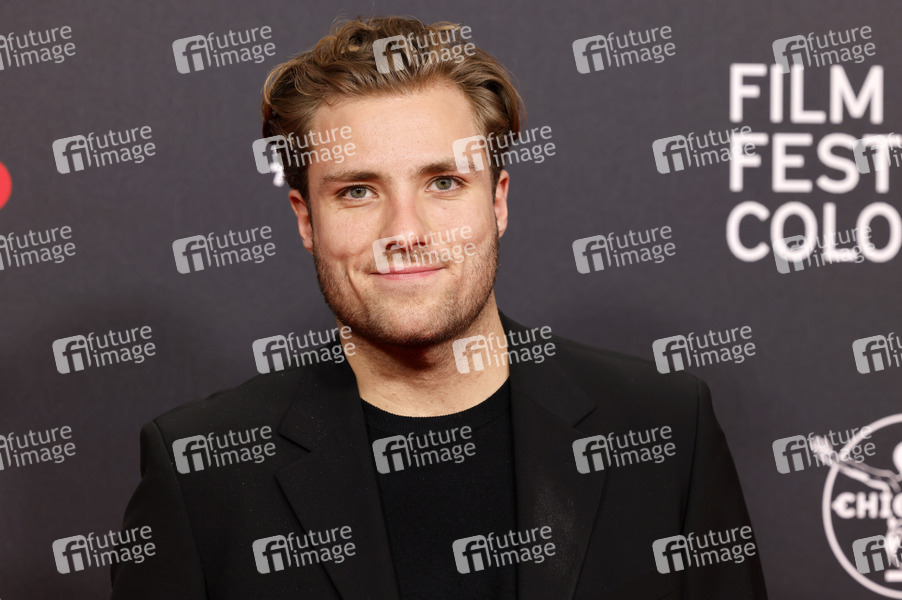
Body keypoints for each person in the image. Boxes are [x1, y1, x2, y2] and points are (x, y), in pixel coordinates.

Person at [111, 15, 768, 599]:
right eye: (358, 191)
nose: (405, 231)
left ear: (497, 201)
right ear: (306, 219)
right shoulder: (202, 474)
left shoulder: (665, 429)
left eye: (444, 182)